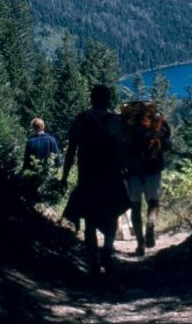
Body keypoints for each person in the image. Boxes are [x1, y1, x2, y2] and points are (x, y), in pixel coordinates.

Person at [60, 85, 131, 275]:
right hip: (111, 176)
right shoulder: (116, 121)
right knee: (113, 214)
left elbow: (71, 151)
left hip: (88, 176)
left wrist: (64, 177)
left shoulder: (81, 120)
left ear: (92, 99)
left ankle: (93, 261)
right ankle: (107, 251)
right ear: (108, 100)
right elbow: (124, 150)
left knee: (89, 220)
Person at [123, 101, 171, 257]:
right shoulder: (158, 125)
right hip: (153, 170)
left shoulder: (129, 126)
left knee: (135, 207)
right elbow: (167, 145)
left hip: (134, 172)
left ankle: (140, 244)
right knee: (154, 203)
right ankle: (150, 225)